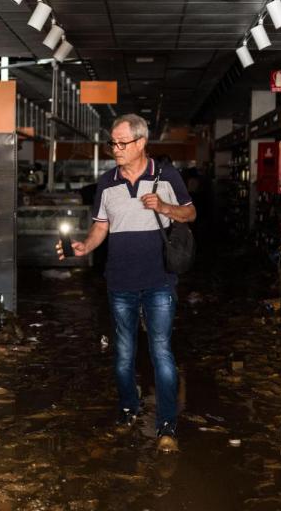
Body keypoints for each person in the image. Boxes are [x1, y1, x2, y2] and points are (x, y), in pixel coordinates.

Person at [57, 113, 196, 453]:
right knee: (122, 355)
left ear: (141, 142)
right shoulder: (106, 183)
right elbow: (101, 226)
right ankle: (128, 409)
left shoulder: (167, 176)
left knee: (161, 352)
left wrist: (164, 206)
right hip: (120, 281)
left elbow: (190, 214)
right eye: (112, 143)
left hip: (159, 281)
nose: (115, 149)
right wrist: (84, 247)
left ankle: (166, 424)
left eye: (122, 143)